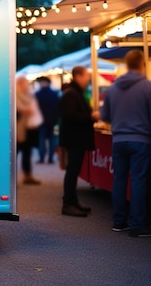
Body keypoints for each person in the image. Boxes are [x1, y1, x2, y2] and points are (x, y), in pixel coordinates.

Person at [100, 50, 151, 237]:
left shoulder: (113, 88)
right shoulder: (147, 87)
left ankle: (119, 221)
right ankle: (138, 225)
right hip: (141, 140)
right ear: (141, 64)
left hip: (118, 140)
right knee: (139, 180)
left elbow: (105, 116)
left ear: (127, 64)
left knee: (119, 180)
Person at [59, 66, 99, 217]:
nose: (88, 80)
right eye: (86, 77)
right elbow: (71, 116)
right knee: (72, 171)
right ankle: (68, 203)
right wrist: (91, 116)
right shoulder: (71, 94)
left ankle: (72, 202)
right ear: (78, 76)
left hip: (75, 138)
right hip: (75, 139)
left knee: (73, 171)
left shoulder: (72, 93)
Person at [16, 76, 43, 185]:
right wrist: (24, 109)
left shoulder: (30, 94)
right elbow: (18, 108)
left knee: (27, 152)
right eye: (23, 83)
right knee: (15, 152)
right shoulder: (15, 95)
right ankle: (10, 178)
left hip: (29, 127)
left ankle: (28, 175)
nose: (25, 85)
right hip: (19, 128)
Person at [35, 76, 60, 164]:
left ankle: (42, 157)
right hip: (52, 121)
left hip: (41, 122)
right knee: (52, 140)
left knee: (42, 140)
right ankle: (50, 158)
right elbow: (57, 108)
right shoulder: (54, 94)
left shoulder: (37, 94)